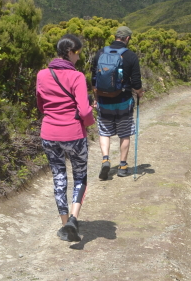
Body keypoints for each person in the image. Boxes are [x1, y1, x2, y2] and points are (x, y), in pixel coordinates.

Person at [36, 34, 95, 242]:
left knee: (59, 177)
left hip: (49, 133)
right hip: (73, 134)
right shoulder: (77, 77)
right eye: (78, 53)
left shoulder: (42, 74)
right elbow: (85, 111)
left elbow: (41, 105)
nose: (78, 57)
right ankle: (73, 219)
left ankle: (64, 225)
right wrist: (89, 122)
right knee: (80, 177)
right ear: (70, 53)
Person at [90, 26, 144, 179]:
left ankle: (106, 159)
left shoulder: (100, 53)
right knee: (124, 133)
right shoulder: (131, 56)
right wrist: (139, 92)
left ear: (115, 37)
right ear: (127, 38)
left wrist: (96, 97)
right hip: (123, 101)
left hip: (104, 101)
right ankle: (122, 166)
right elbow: (136, 82)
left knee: (104, 132)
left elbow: (94, 79)